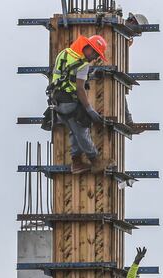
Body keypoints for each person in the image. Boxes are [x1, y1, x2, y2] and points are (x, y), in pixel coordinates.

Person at [48, 34, 113, 174]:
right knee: (83, 127)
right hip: (70, 102)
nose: (94, 58)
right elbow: (79, 88)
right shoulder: (83, 65)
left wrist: (91, 76)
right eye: (95, 54)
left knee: (74, 128)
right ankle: (95, 161)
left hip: (57, 101)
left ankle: (76, 163)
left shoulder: (64, 53)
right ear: (89, 48)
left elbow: (66, 75)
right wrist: (89, 110)